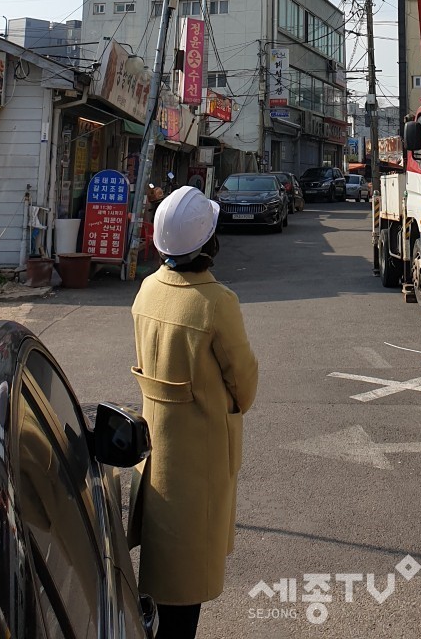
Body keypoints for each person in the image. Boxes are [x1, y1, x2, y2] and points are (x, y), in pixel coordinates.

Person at [131, 185, 259, 639]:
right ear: (208, 241)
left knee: (164, 570)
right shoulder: (216, 303)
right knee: (186, 598)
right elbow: (243, 386)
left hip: (157, 454)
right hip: (202, 459)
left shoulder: (147, 291)